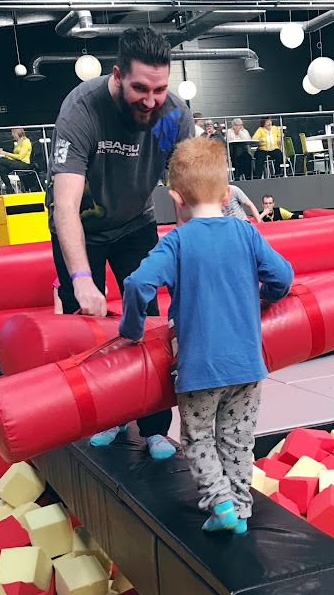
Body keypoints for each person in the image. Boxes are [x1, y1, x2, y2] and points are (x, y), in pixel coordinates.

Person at [119, 136, 293, 534]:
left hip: (199, 370)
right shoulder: (247, 233)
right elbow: (282, 275)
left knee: (199, 439)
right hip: (248, 366)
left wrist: (130, 330)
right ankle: (242, 510)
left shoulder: (177, 242)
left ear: (175, 197)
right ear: (228, 191)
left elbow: (137, 285)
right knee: (238, 440)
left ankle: (221, 504)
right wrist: (266, 297)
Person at [46, 26, 195, 458]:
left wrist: (197, 253)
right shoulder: (83, 110)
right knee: (90, 330)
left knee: (146, 323)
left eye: (160, 88)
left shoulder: (170, 116)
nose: (151, 100)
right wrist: (80, 278)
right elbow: (66, 207)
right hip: (83, 230)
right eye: (140, 89)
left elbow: (185, 195)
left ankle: (152, 426)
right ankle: (105, 417)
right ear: (117, 76)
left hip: (134, 225)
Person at [0, 128, 32, 194]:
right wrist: (5, 156)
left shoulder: (26, 142)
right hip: (17, 162)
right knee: (1, 169)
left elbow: (20, 157)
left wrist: (6, 153)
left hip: (24, 164)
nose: (12, 135)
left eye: (12, 133)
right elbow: (14, 157)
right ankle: (10, 189)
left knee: (0, 161)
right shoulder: (17, 143)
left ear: (16, 133)